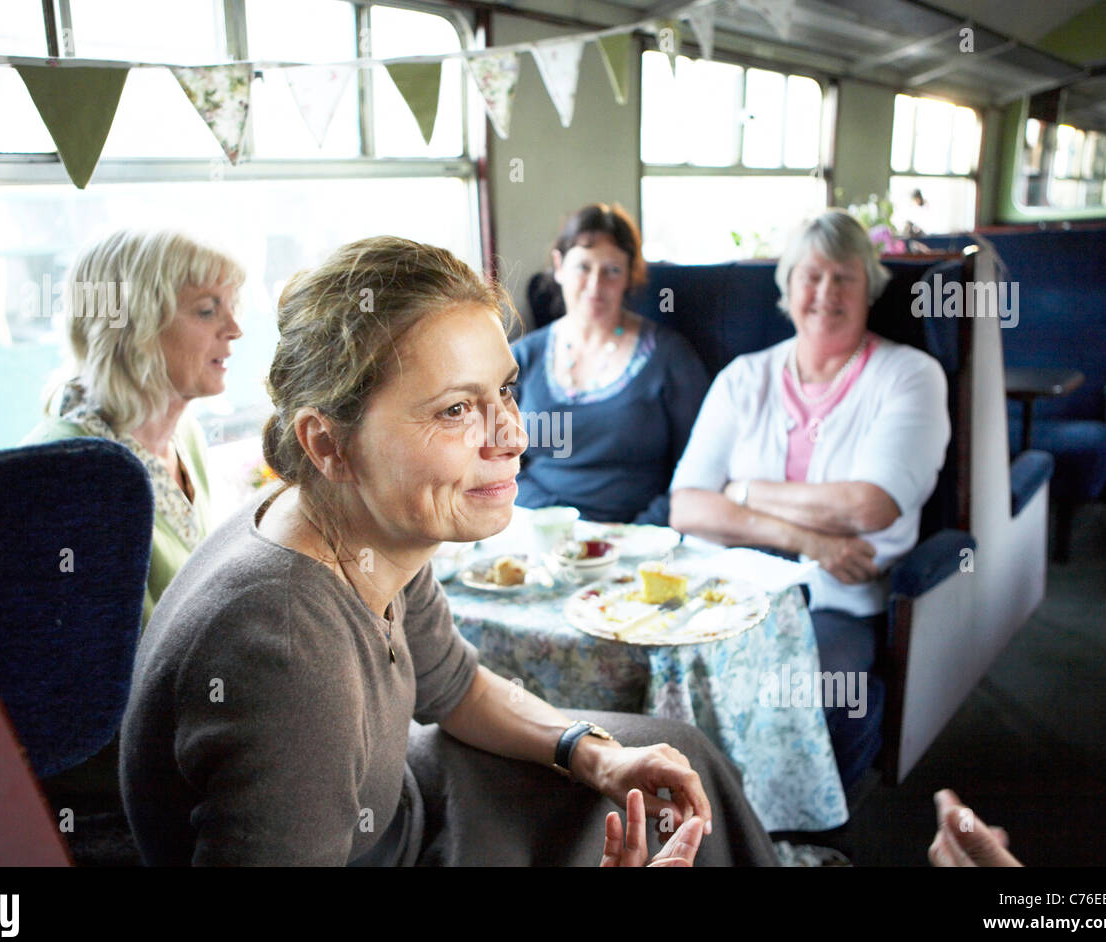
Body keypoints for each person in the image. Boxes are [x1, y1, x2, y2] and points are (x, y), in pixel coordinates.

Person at [119, 235, 779, 867]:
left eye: (505, 391)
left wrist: (591, 753)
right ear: (328, 444)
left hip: (405, 804)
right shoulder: (288, 659)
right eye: (456, 410)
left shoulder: (363, 526)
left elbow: (455, 686)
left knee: (670, 760)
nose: (513, 435)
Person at [669, 209, 951, 792]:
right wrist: (810, 540)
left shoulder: (909, 375)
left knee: (808, 697)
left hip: (838, 599)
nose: (826, 293)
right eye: (810, 276)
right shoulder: (743, 378)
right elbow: (687, 508)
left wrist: (740, 493)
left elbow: (869, 507)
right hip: (728, 584)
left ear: (869, 286)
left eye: (844, 277)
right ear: (788, 288)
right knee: (667, 682)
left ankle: (805, 838)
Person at [24, 228, 245, 625]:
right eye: (207, 310)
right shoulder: (65, 471)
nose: (234, 329)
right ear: (134, 325)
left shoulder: (184, 433)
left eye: (232, 307)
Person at [510, 203, 709, 526]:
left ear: (630, 275)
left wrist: (637, 532)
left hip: (636, 540)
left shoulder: (670, 358)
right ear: (559, 267)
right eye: (583, 267)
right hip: (539, 533)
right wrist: (563, 527)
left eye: (612, 270)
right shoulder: (521, 358)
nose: (595, 285)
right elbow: (492, 461)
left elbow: (698, 467)